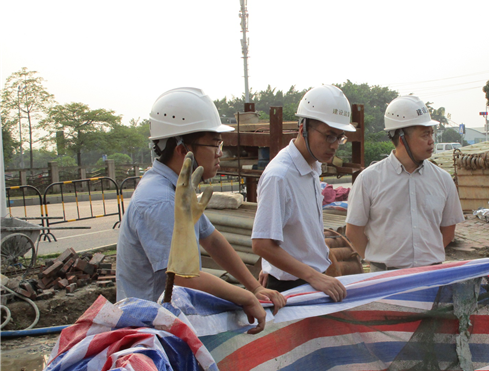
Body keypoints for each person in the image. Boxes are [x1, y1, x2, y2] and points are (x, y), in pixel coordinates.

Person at [117, 87, 285, 333]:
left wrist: (254, 287)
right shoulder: (161, 200)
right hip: (147, 331)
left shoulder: (177, 189)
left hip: (165, 319)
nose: (220, 152)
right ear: (183, 150)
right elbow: (184, 279)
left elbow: (212, 240)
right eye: (214, 143)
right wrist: (245, 297)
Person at [251, 85, 355, 302]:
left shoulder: (311, 168)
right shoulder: (280, 176)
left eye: (339, 137)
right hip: (293, 287)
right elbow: (261, 244)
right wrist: (313, 277)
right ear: (303, 128)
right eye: (328, 136)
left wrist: (271, 266)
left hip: (308, 280)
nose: (335, 145)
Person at [345, 95, 464, 271]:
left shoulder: (443, 179)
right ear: (401, 137)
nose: (431, 140)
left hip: (430, 274)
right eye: (425, 134)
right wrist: (378, 262)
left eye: (431, 133)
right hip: (385, 279)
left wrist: (425, 260)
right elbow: (354, 231)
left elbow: (448, 231)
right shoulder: (369, 179)